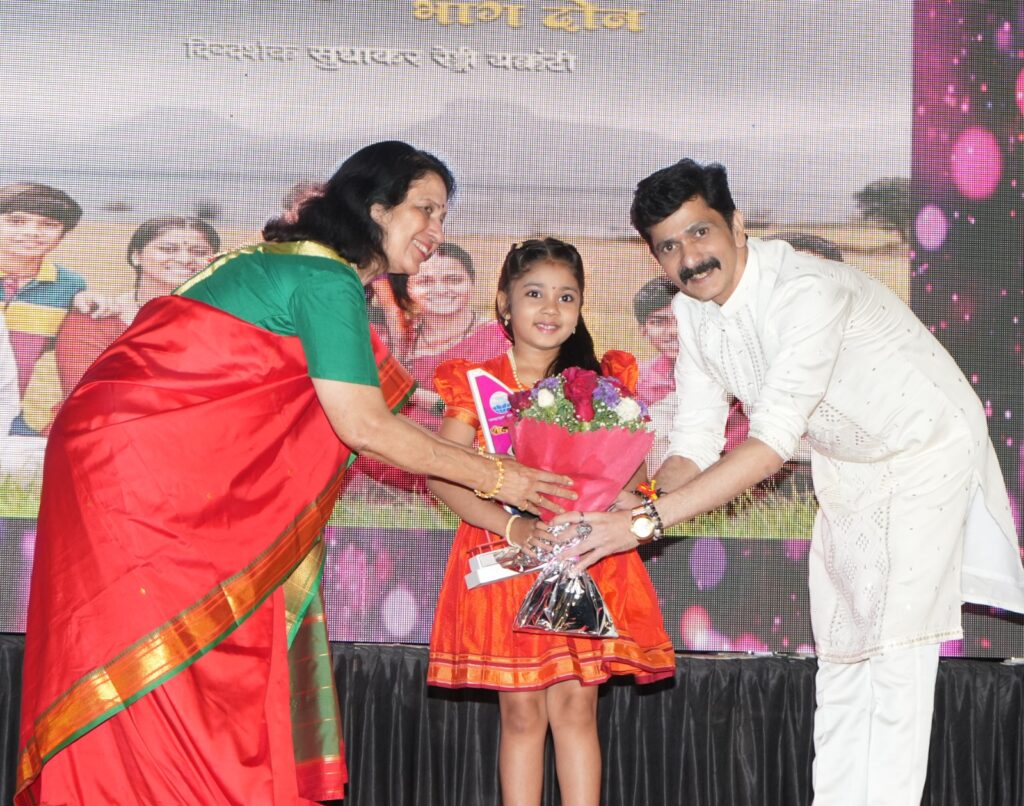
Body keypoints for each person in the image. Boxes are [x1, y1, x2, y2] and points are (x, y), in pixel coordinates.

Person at [16, 141, 575, 806]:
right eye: (425, 209)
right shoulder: (323, 278)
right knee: (161, 658)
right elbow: (365, 427)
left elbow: (381, 423)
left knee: (207, 652)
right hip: (143, 478)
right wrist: (500, 477)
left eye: (443, 216)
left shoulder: (303, 270)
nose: (436, 231)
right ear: (375, 208)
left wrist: (490, 467)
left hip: (134, 466)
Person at [541, 159, 1024, 805]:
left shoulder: (805, 291)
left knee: (896, 649)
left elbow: (768, 447)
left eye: (700, 233)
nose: (690, 258)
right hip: (849, 466)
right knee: (845, 651)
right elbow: (695, 442)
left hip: (927, 450)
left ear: (737, 226)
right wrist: (641, 498)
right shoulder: (692, 313)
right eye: (669, 246)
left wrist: (641, 524)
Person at [427, 238, 675, 806]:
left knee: (576, 706)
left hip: (584, 559)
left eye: (566, 297)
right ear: (504, 303)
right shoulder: (476, 383)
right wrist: (512, 525)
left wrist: (615, 500)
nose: (550, 308)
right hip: (506, 558)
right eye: (534, 293)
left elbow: (635, 480)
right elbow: (442, 476)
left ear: (580, 307)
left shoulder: (604, 383)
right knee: (520, 712)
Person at [55, 215, 221, 397]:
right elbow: (88, 397)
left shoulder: (228, 322)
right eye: (167, 249)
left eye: (199, 252)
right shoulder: (95, 318)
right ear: (137, 256)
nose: (185, 259)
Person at [0, 182, 109, 434]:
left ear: (62, 234)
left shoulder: (68, 286)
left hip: (8, 411)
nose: (32, 232)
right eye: (16, 221)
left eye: (48, 224)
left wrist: (95, 306)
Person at [633, 277, 747, 470]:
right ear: (643, 330)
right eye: (659, 322)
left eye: (681, 320)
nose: (673, 331)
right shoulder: (634, 380)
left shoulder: (736, 375)